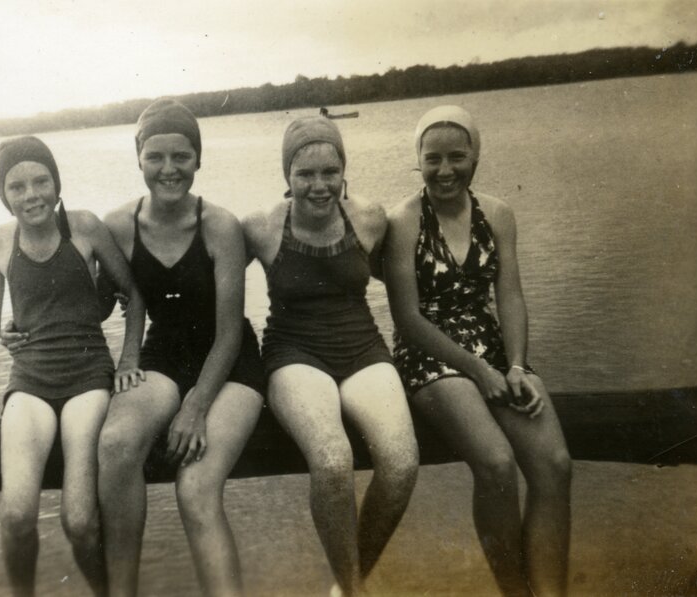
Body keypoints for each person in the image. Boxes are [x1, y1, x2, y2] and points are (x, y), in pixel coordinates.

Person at [4, 99, 266, 597]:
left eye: (181, 157)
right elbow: (98, 304)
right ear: (139, 159)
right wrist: (22, 325)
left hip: (229, 362)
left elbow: (230, 331)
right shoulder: (119, 225)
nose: (169, 169)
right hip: (163, 353)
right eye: (156, 157)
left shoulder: (221, 226)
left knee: (195, 490)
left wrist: (195, 406)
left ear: (198, 159)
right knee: (115, 443)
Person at [0, 135, 146, 597]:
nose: (31, 195)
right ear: (3, 194)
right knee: (16, 517)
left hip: (87, 381)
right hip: (29, 382)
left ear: (57, 184)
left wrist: (128, 359)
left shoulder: (85, 227)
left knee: (79, 521)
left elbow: (134, 295)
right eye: (16, 186)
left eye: (41, 181)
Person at [383, 105, 571, 596]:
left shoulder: (498, 214)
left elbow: (510, 295)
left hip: (492, 349)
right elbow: (407, 318)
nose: (445, 170)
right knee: (496, 463)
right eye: (432, 159)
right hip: (429, 355)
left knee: (554, 465)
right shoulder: (403, 222)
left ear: (476, 157)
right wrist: (479, 372)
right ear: (418, 162)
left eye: (457, 157)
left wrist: (514, 365)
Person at [242, 116, 419, 597]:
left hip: (363, 347)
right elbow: (198, 282)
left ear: (344, 171)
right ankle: (355, 590)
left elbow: (409, 282)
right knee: (333, 459)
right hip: (294, 352)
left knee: (402, 465)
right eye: (305, 174)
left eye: (330, 172)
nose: (319, 186)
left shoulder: (369, 218)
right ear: (287, 176)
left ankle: (346, 584)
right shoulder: (260, 227)